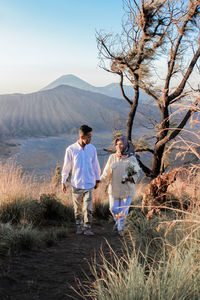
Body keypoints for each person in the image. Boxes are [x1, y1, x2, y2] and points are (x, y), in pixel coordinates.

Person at [62, 125, 101, 236]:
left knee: (88, 208)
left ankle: (87, 227)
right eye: (89, 137)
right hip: (76, 183)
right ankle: (79, 226)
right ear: (82, 136)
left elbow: (95, 164)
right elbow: (67, 166)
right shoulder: (71, 149)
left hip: (89, 183)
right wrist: (63, 181)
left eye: (91, 136)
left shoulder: (92, 149)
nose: (90, 139)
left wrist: (97, 179)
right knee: (77, 208)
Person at [100, 136, 141, 235]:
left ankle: (120, 230)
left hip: (127, 190)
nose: (119, 146)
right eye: (117, 144)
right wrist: (99, 180)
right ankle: (120, 224)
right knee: (113, 208)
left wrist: (129, 178)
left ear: (126, 145)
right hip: (114, 189)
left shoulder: (131, 158)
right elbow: (106, 172)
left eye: (121, 144)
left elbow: (136, 174)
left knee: (123, 211)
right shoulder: (112, 157)